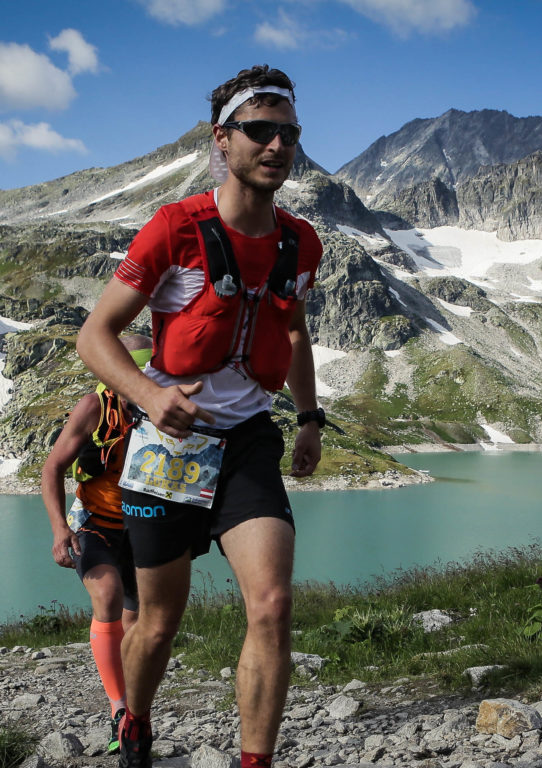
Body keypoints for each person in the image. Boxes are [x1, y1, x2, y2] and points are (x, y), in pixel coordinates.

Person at [76, 64, 324, 768]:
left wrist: (308, 419)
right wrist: (150, 395)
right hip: (166, 445)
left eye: (290, 133)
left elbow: (297, 332)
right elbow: (94, 337)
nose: (278, 146)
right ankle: (136, 720)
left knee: (272, 604)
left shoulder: (301, 241)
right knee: (157, 623)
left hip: (249, 441)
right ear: (224, 140)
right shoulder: (174, 229)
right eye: (261, 131)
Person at [42, 334, 153, 755]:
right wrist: (58, 531)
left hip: (144, 527)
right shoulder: (94, 408)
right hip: (94, 524)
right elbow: (52, 468)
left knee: (136, 623)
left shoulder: (161, 406)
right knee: (105, 594)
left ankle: (136, 709)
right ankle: (119, 711)